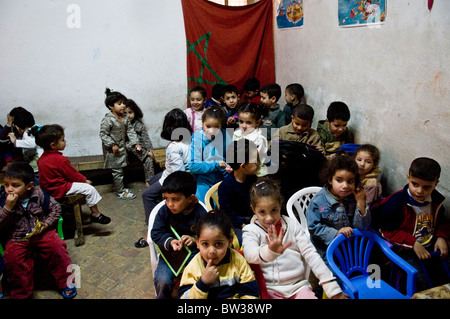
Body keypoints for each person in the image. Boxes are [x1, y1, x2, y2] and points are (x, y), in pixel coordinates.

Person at [242, 178, 348, 299]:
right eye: (262, 212)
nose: (269, 218)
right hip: (270, 289)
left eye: (274, 210)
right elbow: (250, 255)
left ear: (280, 205)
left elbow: (310, 254)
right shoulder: (251, 230)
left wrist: (331, 286)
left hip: (299, 286)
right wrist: (270, 251)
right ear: (253, 209)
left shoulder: (291, 224)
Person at [0, 162, 76, 299]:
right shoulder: (3, 200)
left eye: (15, 185)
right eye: (6, 184)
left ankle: (67, 282)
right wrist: (7, 207)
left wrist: (45, 225)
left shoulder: (39, 194)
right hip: (17, 238)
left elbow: (56, 208)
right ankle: (22, 293)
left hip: (41, 233)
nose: (9, 189)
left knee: (58, 248)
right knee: (13, 260)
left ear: (29, 186)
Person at [375, 157, 450, 291]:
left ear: (436, 183)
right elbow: (386, 230)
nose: (420, 191)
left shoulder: (437, 201)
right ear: (408, 178)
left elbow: (442, 221)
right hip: (404, 249)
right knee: (421, 281)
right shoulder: (397, 202)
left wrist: (441, 237)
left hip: (430, 246)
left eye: (427, 187)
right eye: (415, 184)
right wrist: (413, 243)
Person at [36, 124, 111, 224]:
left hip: (48, 189)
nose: (65, 141)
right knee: (90, 189)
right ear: (53, 145)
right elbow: (73, 175)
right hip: (60, 189)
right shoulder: (60, 159)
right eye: (62, 140)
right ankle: (96, 214)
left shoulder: (41, 159)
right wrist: (85, 180)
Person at [138, 109, 192, 248]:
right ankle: (161, 213)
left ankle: (152, 230)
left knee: (147, 195)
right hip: (172, 173)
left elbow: (177, 173)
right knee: (150, 181)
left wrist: (167, 189)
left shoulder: (174, 147)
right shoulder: (188, 140)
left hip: (173, 179)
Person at [151, 171, 207, 299]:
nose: (170, 204)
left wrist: (194, 239)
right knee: (162, 280)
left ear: (190, 198)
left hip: (194, 253)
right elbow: (156, 233)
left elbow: (207, 236)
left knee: (203, 277)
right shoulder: (164, 211)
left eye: (175, 199)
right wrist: (170, 241)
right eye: (166, 198)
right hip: (170, 255)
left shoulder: (200, 213)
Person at [178, 211, 260, 299]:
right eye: (205, 244)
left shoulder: (238, 261)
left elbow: (251, 294)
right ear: (197, 242)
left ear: (229, 242)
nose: (212, 251)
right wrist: (202, 283)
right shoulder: (193, 266)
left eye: (218, 244)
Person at [306, 155, 371, 263]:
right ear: (330, 180)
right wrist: (336, 233)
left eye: (350, 181)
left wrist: (361, 202)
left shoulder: (355, 197)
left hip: (349, 247)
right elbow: (313, 227)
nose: (345, 186)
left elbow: (362, 226)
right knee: (335, 276)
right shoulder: (318, 201)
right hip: (326, 249)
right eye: (339, 180)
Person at [99, 88, 141, 200]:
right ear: (111, 106)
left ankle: (120, 187)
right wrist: (112, 144)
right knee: (117, 171)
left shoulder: (124, 118)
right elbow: (103, 134)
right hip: (113, 150)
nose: (123, 106)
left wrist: (135, 142)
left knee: (120, 169)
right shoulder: (108, 119)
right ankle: (120, 191)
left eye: (123, 103)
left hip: (121, 148)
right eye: (119, 104)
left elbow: (130, 131)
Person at [218, 139, 259, 245]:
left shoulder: (253, 179)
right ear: (243, 166)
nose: (258, 164)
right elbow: (227, 213)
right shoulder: (225, 187)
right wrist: (243, 225)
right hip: (235, 223)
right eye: (255, 161)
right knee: (246, 241)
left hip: (253, 218)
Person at [189, 107, 232, 203]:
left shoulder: (225, 136)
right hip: (203, 181)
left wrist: (230, 167)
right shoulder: (197, 139)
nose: (211, 131)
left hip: (221, 179)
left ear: (221, 125)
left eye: (216, 127)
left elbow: (231, 156)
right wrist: (216, 165)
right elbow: (193, 166)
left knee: (223, 207)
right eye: (208, 126)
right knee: (203, 208)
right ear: (202, 123)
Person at [124, 99, 156, 187]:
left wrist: (149, 150)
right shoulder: (121, 125)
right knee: (130, 145)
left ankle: (149, 181)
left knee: (148, 159)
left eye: (130, 112)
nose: (128, 116)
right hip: (127, 152)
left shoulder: (139, 124)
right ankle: (145, 154)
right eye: (125, 113)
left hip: (140, 150)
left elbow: (146, 138)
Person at [233, 102, 268, 177]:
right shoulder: (236, 134)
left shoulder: (260, 140)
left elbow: (257, 163)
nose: (244, 126)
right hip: (240, 170)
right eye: (241, 121)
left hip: (256, 173)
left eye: (248, 122)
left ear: (257, 122)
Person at [7, 109, 42, 185]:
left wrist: (15, 141)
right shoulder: (36, 128)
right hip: (41, 164)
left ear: (17, 127)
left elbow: (32, 144)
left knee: (36, 185)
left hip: (36, 166)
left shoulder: (27, 132)